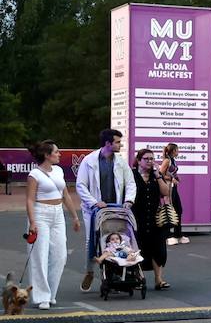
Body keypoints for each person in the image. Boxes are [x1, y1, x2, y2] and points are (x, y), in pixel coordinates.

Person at [76, 128, 137, 292]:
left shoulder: (121, 162)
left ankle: (114, 274)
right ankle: (89, 271)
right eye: (117, 142)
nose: (120, 144)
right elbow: (81, 186)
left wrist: (129, 200)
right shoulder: (89, 161)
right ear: (108, 143)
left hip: (115, 209)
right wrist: (95, 202)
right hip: (94, 209)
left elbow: (130, 183)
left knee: (116, 241)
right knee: (91, 241)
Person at [24, 141, 82, 310]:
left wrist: (74, 217)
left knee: (60, 255)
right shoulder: (34, 174)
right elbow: (29, 199)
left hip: (57, 213)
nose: (59, 154)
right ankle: (42, 296)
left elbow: (65, 195)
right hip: (40, 213)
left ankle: (51, 293)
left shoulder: (59, 170)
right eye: (56, 152)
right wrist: (33, 222)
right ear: (47, 155)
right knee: (40, 256)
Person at [131, 148, 173, 290]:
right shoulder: (132, 176)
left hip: (156, 217)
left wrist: (158, 175)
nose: (150, 161)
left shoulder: (156, 176)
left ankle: (158, 279)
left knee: (159, 248)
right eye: (146, 159)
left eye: (151, 159)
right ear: (138, 161)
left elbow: (166, 192)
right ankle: (139, 278)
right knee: (139, 248)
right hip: (138, 217)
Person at [159, 143, 189, 246]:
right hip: (168, 188)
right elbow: (160, 174)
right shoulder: (167, 161)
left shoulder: (173, 160)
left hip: (173, 187)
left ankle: (178, 234)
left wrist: (176, 177)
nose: (178, 152)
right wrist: (171, 179)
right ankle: (168, 236)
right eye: (177, 150)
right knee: (170, 210)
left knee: (178, 209)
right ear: (173, 151)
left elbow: (172, 172)